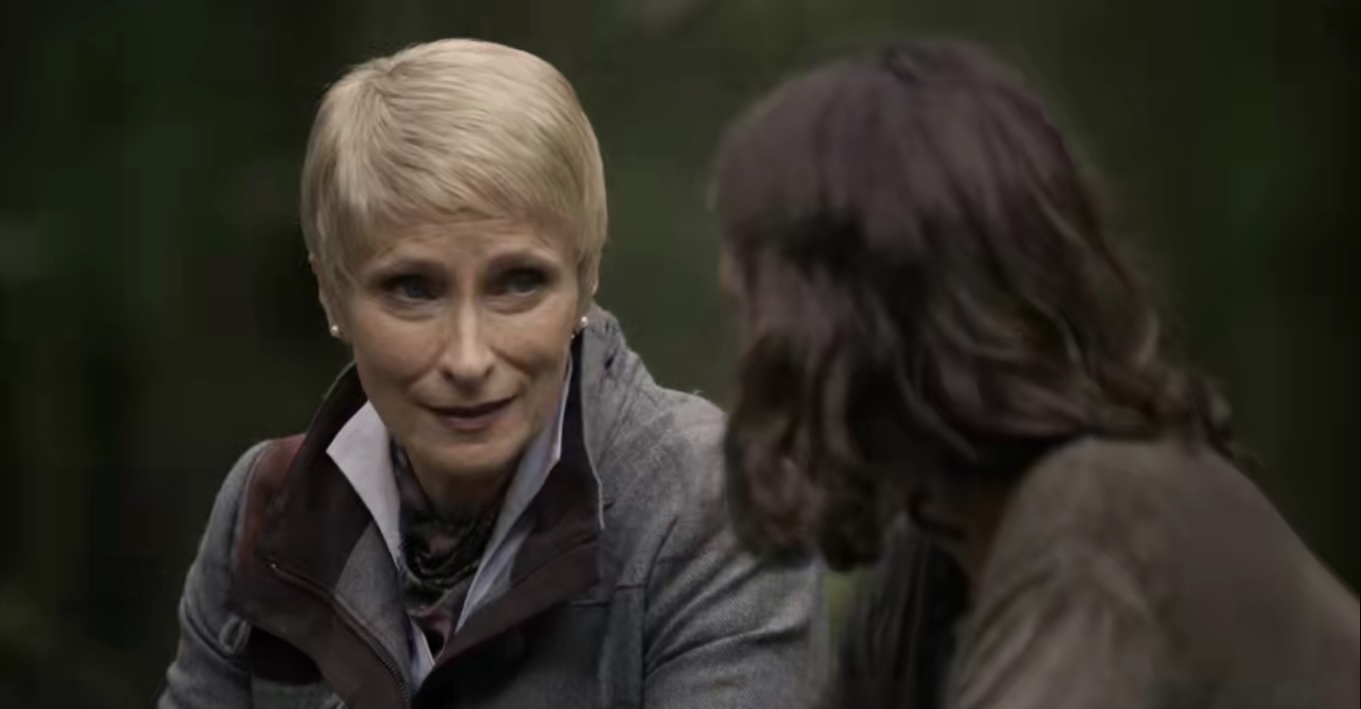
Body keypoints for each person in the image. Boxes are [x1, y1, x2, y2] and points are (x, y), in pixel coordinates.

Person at [159, 38, 825, 709]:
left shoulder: (716, 503)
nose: (469, 357)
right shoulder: (269, 506)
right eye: (412, 288)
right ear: (331, 294)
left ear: (586, 277)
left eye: (518, 282)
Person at [710, 39, 1359, 709]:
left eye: (758, 306)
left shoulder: (1102, 519)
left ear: (850, 319)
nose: (751, 353)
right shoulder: (936, 572)